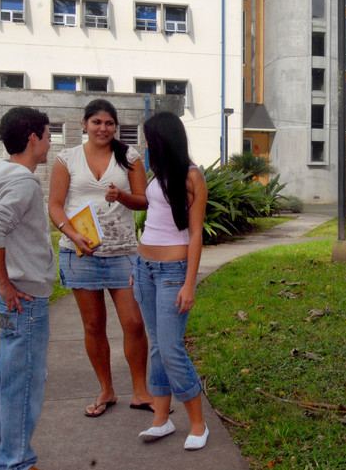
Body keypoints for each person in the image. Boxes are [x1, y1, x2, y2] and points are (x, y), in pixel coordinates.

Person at [48, 99, 154, 417]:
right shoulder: (66, 158)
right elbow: (54, 205)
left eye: (109, 123)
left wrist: (121, 196)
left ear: (115, 127)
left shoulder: (129, 157)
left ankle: (140, 391)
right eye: (96, 122)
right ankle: (106, 390)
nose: (103, 128)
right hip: (81, 253)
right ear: (84, 124)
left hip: (122, 252)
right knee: (94, 325)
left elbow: (143, 201)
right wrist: (71, 233)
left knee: (134, 323)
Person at [0, 107, 54, 470]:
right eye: (49, 136)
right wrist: (4, 281)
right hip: (24, 299)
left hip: (14, 297)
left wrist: (3, 270)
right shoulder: (22, 182)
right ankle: (16, 462)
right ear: (32, 139)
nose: (50, 143)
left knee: (4, 377)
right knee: (23, 385)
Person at [133, 111, 209, 450]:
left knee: (172, 349)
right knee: (157, 347)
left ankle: (198, 424)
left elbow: (195, 234)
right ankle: (161, 420)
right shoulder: (157, 175)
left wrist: (189, 283)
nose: (148, 147)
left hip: (172, 273)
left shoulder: (192, 177)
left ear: (165, 141)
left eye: (151, 141)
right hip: (144, 268)